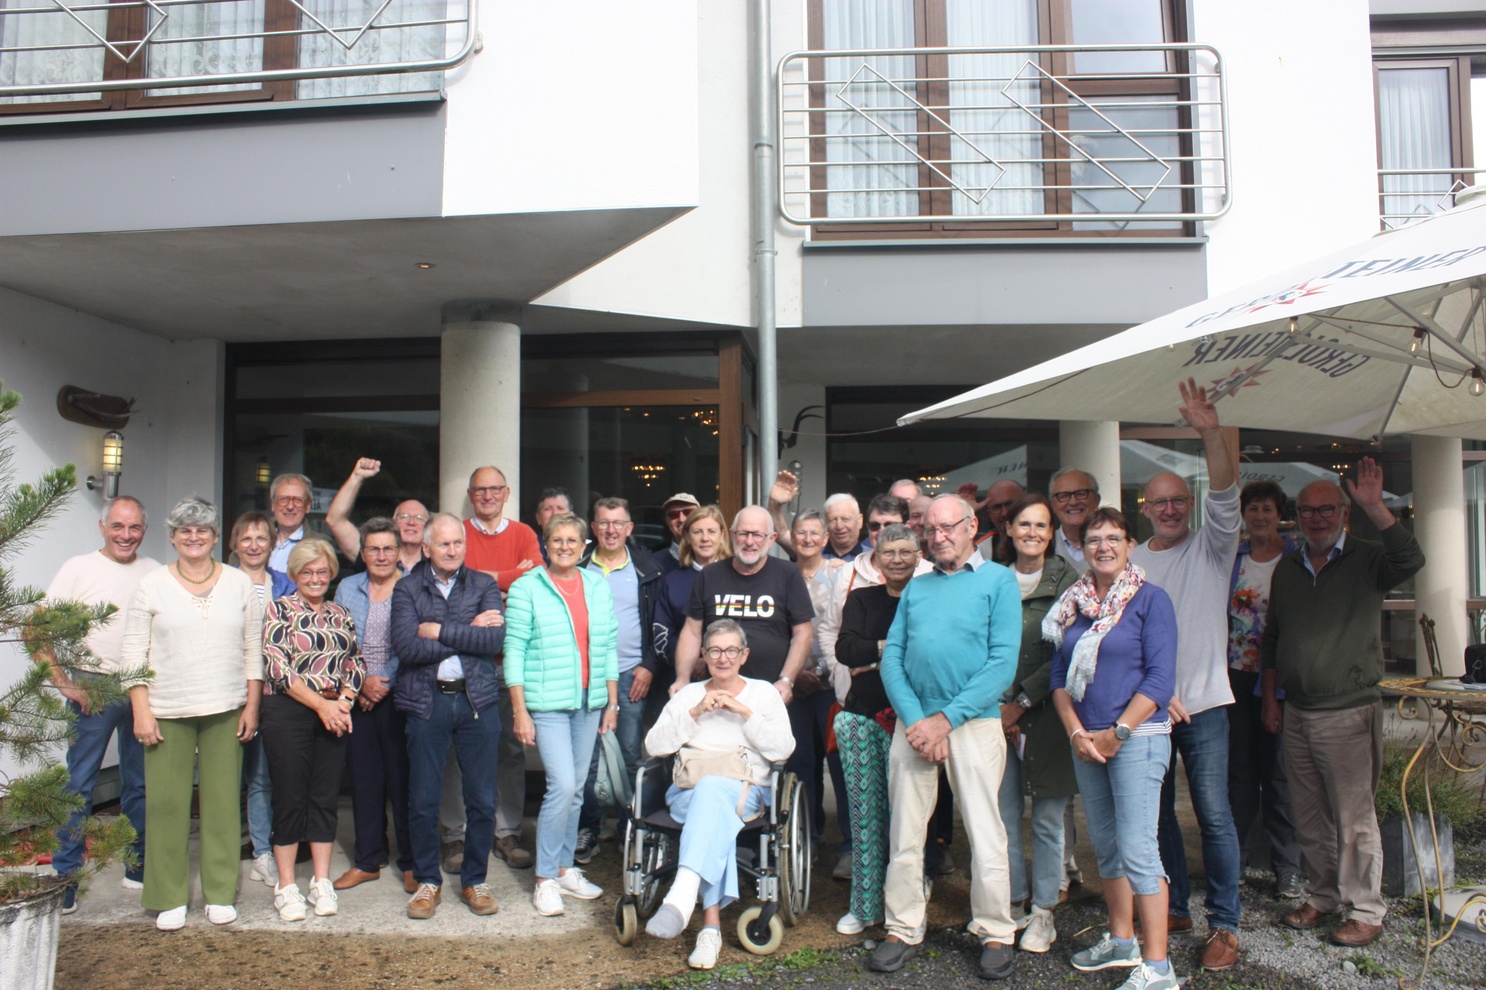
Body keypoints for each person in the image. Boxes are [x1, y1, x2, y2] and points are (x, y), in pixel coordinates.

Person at [1262, 462, 1425, 948]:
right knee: (1309, 815)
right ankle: (1323, 896)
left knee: (1354, 820)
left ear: (1344, 513)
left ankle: (1366, 911)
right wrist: (1271, 699)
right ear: (1297, 517)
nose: (1316, 519)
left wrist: (1377, 506)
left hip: (1349, 710)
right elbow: (1272, 638)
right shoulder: (1288, 568)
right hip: (1297, 711)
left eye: (1326, 510)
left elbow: (1411, 559)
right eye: (1307, 511)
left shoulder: (1368, 559)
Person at [868, 494, 1021, 980]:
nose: (938, 537)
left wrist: (946, 720)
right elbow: (893, 659)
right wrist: (919, 721)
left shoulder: (999, 581)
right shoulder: (917, 586)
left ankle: (995, 930)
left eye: (947, 527)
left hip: (972, 722)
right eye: (930, 530)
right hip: (915, 726)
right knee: (905, 832)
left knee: (985, 830)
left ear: (972, 526)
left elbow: (1002, 664)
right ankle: (902, 927)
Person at [1128, 379, 1244, 973]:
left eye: (1179, 500)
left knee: (1213, 814)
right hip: (1152, 708)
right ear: (1145, 508)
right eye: (1160, 502)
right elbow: (1125, 640)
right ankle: (1173, 906)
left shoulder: (1213, 547)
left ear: (1189, 505)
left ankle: (1226, 924)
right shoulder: (1132, 563)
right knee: (1157, 814)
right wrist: (1154, 693)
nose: (1170, 509)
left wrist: (1210, 434)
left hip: (1206, 704)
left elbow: (1225, 491)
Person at [1049, 507, 1179, 990]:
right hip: (1087, 742)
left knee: (1139, 850)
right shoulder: (1074, 603)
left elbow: (1160, 680)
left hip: (1137, 740)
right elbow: (1059, 677)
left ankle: (1159, 967)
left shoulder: (1151, 601)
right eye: (1093, 539)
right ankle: (1123, 941)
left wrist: (1116, 732)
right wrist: (1077, 733)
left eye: (1113, 538)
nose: (1103, 547)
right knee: (1106, 846)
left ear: (1129, 545)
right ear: (1082, 549)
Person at [120, 497, 263, 931]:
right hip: (166, 709)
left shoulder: (239, 583)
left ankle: (220, 893)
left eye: (202, 530)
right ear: (173, 537)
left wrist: (252, 705)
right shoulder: (151, 585)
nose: (194, 536)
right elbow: (133, 653)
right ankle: (168, 897)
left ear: (216, 537)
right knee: (166, 806)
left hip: (226, 706)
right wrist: (141, 710)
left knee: (222, 805)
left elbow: (253, 648)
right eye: (185, 530)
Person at [642, 620, 795, 970]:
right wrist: (695, 713)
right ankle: (708, 930)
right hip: (688, 793)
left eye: (731, 650)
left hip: (745, 792)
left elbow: (783, 750)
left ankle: (685, 900)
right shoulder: (688, 695)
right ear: (704, 655)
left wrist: (745, 713)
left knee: (713, 796)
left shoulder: (763, 694)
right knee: (711, 806)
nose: (723, 658)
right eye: (715, 650)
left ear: (744, 655)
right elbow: (654, 746)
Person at [39, 496, 160, 914]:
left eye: (134, 527)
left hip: (142, 685)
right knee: (79, 784)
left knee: (140, 783)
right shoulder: (78, 568)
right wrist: (65, 684)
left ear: (144, 530)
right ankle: (66, 878)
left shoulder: (155, 571)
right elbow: (37, 627)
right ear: (102, 527)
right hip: (93, 683)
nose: (126, 535)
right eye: (118, 526)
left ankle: (137, 865)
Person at [390, 513, 507, 920]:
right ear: (426, 548)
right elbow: (408, 647)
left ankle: (475, 880)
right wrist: (466, 628)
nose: (453, 550)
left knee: (482, 799)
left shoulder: (484, 585)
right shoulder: (407, 588)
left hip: (478, 701)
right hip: (427, 701)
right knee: (423, 798)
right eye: (444, 544)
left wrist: (438, 629)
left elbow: (493, 640)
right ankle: (428, 881)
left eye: (458, 542)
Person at [672, 506, 816, 837]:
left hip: (771, 696)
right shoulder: (710, 575)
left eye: (757, 535)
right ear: (732, 535)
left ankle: (793, 835)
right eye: (743, 534)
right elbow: (692, 631)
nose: (749, 541)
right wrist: (682, 679)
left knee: (788, 763)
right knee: (721, 763)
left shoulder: (787, 574)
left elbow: (802, 634)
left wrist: (787, 680)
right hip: (717, 693)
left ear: (772, 539)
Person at [504, 512, 620, 917]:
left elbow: (607, 644)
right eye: (557, 540)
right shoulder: (527, 587)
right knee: (563, 785)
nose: (565, 547)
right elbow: (513, 650)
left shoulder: (596, 584)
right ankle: (544, 879)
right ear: (546, 544)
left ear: (584, 546)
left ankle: (565, 868)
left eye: (573, 540)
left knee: (577, 789)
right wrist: (520, 710)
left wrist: (611, 702)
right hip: (547, 703)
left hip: (589, 702)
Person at [260, 539, 366, 921]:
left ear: (331, 573)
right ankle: (286, 885)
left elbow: (355, 661)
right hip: (289, 711)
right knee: (290, 797)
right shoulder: (279, 609)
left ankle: (321, 882)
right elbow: (277, 667)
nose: (316, 578)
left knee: (324, 797)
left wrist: (345, 701)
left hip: (334, 712)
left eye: (322, 572)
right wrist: (322, 706)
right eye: (307, 572)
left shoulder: (341, 613)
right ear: (295, 574)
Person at [996, 494, 1079, 953]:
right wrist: (1000, 706)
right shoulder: (992, 579)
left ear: (1051, 533)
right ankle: (1012, 904)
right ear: (1009, 529)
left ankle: (1044, 911)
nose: (1032, 533)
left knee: (1047, 818)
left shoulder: (1070, 582)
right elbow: (981, 646)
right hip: (995, 715)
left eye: (1041, 525)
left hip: (1047, 714)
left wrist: (1023, 702)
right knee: (1004, 816)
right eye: (1023, 524)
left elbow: (1067, 652)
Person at [831, 523, 919, 936]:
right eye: (889, 552)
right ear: (876, 558)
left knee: (909, 820)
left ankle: (907, 904)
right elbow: (846, 650)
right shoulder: (862, 599)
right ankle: (865, 906)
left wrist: (874, 656)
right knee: (865, 816)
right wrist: (890, 649)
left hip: (914, 720)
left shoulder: (928, 595)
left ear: (918, 556)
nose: (897, 560)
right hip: (863, 715)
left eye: (905, 552)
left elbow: (933, 650)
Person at [459, 464, 543, 874]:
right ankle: (459, 834)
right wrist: (506, 581)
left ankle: (507, 831)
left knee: (509, 750)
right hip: (467, 662)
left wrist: (483, 582)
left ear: (507, 493)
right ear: (470, 495)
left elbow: (534, 578)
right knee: (461, 750)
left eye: (495, 489)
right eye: (480, 490)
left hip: (511, 662)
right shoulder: (459, 533)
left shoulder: (524, 534)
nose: (488, 496)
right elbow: (455, 587)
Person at [575, 497, 662, 864]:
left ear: (629, 529)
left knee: (628, 754)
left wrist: (649, 665)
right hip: (585, 675)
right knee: (586, 757)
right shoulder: (578, 565)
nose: (611, 530)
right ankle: (589, 828)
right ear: (594, 528)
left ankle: (631, 826)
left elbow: (660, 623)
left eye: (618, 523)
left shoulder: (647, 569)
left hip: (630, 674)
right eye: (604, 523)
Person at [1226, 481, 1302, 900]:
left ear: (1279, 515)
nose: (1259, 516)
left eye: (1267, 509)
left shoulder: (1295, 557)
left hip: (1279, 677)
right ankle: (1234, 861)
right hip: (1235, 675)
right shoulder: (1233, 557)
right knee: (1239, 773)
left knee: (1278, 775)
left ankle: (1287, 867)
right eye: (1253, 508)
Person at [333, 518, 417, 893]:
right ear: (363, 553)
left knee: (403, 781)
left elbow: (413, 643)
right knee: (365, 780)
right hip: (356, 695)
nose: (381, 556)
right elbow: (339, 641)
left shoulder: (414, 587)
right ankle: (368, 859)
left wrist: (381, 680)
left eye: (388, 548)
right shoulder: (347, 587)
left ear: (399, 552)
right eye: (373, 549)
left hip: (400, 695)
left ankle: (412, 862)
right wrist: (362, 682)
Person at [226, 510, 296, 891]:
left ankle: (262, 853)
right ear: (234, 544)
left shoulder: (284, 585)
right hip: (227, 691)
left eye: (261, 538)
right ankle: (220, 853)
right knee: (225, 777)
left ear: (272, 545)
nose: (254, 546)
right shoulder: (219, 581)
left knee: (262, 778)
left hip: (273, 693)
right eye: (246, 538)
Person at [788, 509, 848, 868]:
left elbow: (840, 628)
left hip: (832, 686)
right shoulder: (781, 576)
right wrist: (795, 675)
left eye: (815, 533)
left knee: (840, 764)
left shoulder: (841, 575)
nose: (808, 539)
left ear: (825, 539)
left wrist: (822, 671)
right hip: (794, 687)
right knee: (800, 765)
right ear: (792, 538)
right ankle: (805, 838)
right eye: (801, 533)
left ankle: (850, 846)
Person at [653, 504, 732, 683]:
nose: (705, 538)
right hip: (682, 678)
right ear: (687, 537)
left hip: (732, 673)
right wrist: (690, 663)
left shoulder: (737, 578)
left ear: (722, 535)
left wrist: (711, 660)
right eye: (697, 532)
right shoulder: (672, 581)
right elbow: (662, 631)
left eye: (711, 532)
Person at [324, 456, 430, 573]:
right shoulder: (373, 554)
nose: (411, 522)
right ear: (393, 522)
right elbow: (335, 520)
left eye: (419, 518)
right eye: (404, 517)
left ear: (429, 527)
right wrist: (357, 477)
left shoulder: (437, 562)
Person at [1050, 469, 1101, 565]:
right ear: (1053, 505)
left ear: (1096, 500)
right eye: (1064, 496)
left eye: (1081, 494)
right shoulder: (1043, 547)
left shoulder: (1117, 546)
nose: (1073, 502)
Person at [267, 473, 314, 573]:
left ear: (308, 506)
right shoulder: (252, 542)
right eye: (283, 499)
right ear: (273, 504)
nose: (290, 506)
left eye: (298, 500)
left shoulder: (320, 544)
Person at [657, 492, 701, 575]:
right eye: (674, 514)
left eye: (688, 512)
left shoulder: (718, 560)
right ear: (667, 522)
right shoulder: (655, 563)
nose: (681, 519)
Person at [534, 487, 574, 565]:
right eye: (547, 509)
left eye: (560, 508)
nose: (554, 514)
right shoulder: (529, 547)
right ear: (538, 518)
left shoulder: (580, 547)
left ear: (571, 516)